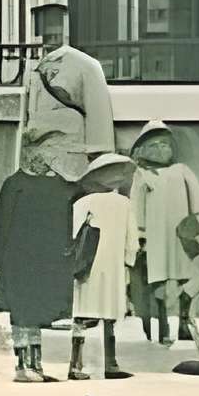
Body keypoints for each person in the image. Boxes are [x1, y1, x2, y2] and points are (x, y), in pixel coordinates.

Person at [0, 146, 77, 384]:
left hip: (32, 261)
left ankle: (33, 365)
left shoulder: (26, 185)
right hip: (24, 260)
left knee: (31, 313)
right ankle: (23, 365)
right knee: (24, 313)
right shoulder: (19, 185)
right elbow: (1, 223)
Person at [125, 121, 199, 346]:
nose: (162, 149)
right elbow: (136, 206)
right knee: (157, 285)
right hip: (156, 239)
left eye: (165, 144)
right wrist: (140, 234)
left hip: (181, 236)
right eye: (155, 144)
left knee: (187, 281)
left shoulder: (182, 171)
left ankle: (184, 325)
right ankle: (161, 328)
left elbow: (196, 199)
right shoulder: (142, 175)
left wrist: (195, 222)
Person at [16, 1, 113, 183]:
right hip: (35, 161)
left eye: (55, 31)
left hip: (70, 163)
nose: (50, 37)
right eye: (46, 31)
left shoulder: (86, 65)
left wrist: (99, 156)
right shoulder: (33, 66)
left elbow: (99, 118)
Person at [67, 152, 139, 381]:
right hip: (114, 268)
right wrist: (128, 263)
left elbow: (71, 235)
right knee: (109, 319)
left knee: (80, 316)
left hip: (86, 268)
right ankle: (111, 364)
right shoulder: (125, 204)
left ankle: (75, 364)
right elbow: (132, 241)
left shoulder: (82, 203)